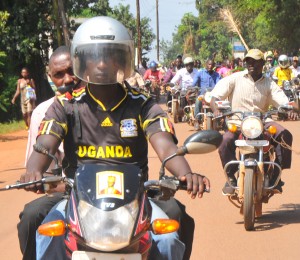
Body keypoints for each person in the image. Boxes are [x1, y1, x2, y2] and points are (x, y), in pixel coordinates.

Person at [21, 17, 209, 260]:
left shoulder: (143, 104)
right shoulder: (65, 105)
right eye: (93, 55)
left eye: (110, 55)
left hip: (134, 198)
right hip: (76, 199)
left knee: (169, 238)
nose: (101, 62)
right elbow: (45, 143)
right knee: (44, 234)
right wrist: (34, 171)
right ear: (82, 60)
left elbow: (165, 147)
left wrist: (186, 173)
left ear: (123, 60)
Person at [17, 45, 80, 260]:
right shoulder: (41, 113)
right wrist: (35, 176)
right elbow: (40, 168)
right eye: (59, 75)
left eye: (72, 71)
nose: (68, 79)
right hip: (67, 191)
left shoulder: (101, 103)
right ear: (50, 77)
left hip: (109, 189)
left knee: (171, 219)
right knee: (31, 217)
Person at [210, 48, 298, 195]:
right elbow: (215, 97)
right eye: (248, 60)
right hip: (237, 122)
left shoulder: (269, 84)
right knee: (224, 141)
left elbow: (283, 102)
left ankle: (276, 173)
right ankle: (231, 177)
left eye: (255, 61)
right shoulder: (234, 79)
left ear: (262, 63)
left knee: (285, 135)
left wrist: (291, 110)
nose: (251, 64)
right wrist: (216, 110)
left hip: (262, 122)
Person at [192, 59, 221, 130]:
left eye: (212, 65)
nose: (210, 66)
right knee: (198, 101)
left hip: (213, 96)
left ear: (214, 66)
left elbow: (219, 84)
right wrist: (193, 87)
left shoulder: (217, 75)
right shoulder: (200, 73)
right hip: (202, 95)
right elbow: (194, 83)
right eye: (209, 64)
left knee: (221, 104)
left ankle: (220, 120)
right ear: (206, 64)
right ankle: (197, 120)